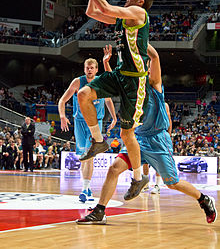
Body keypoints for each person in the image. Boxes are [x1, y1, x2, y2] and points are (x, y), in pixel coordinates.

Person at [76, 44, 217, 225]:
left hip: (158, 140)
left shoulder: (155, 85)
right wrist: (107, 64)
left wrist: (136, 38)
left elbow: (155, 57)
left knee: (172, 183)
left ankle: (203, 199)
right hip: (138, 139)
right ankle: (100, 211)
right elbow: (116, 81)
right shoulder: (131, 86)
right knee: (113, 169)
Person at [72, 0, 153, 200]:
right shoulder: (122, 19)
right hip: (118, 74)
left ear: (140, 1)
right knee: (83, 95)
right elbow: (92, 12)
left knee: (127, 135)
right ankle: (99, 141)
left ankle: (139, 178)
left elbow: (105, 7)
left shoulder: (139, 14)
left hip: (135, 82)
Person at [58, 58, 117, 202]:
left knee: (89, 156)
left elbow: (108, 100)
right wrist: (62, 116)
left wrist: (114, 118)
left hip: (96, 122)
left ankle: (84, 188)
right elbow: (62, 100)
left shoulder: (101, 82)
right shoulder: (78, 82)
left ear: (96, 69)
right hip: (79, 122)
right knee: (83, 157)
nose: (89, 70)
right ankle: (87, 187)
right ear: (84, 69)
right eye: (87, 68)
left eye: (92, 68)